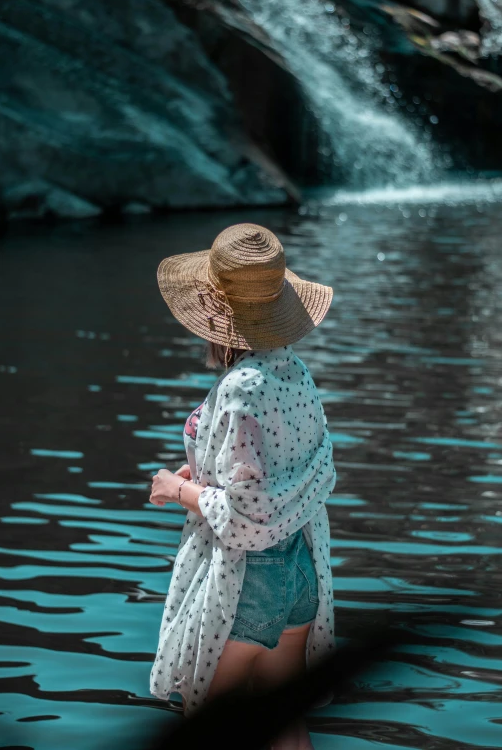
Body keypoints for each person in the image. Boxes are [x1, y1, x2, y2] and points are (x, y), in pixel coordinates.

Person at [148, 223, 337, 750]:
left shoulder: (238, 387)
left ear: (215, 313)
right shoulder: (293, 371)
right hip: (299, 567)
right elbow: (287, 470)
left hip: (249, 577)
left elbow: (247, 511)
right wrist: (203, 471)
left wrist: (175, 488)